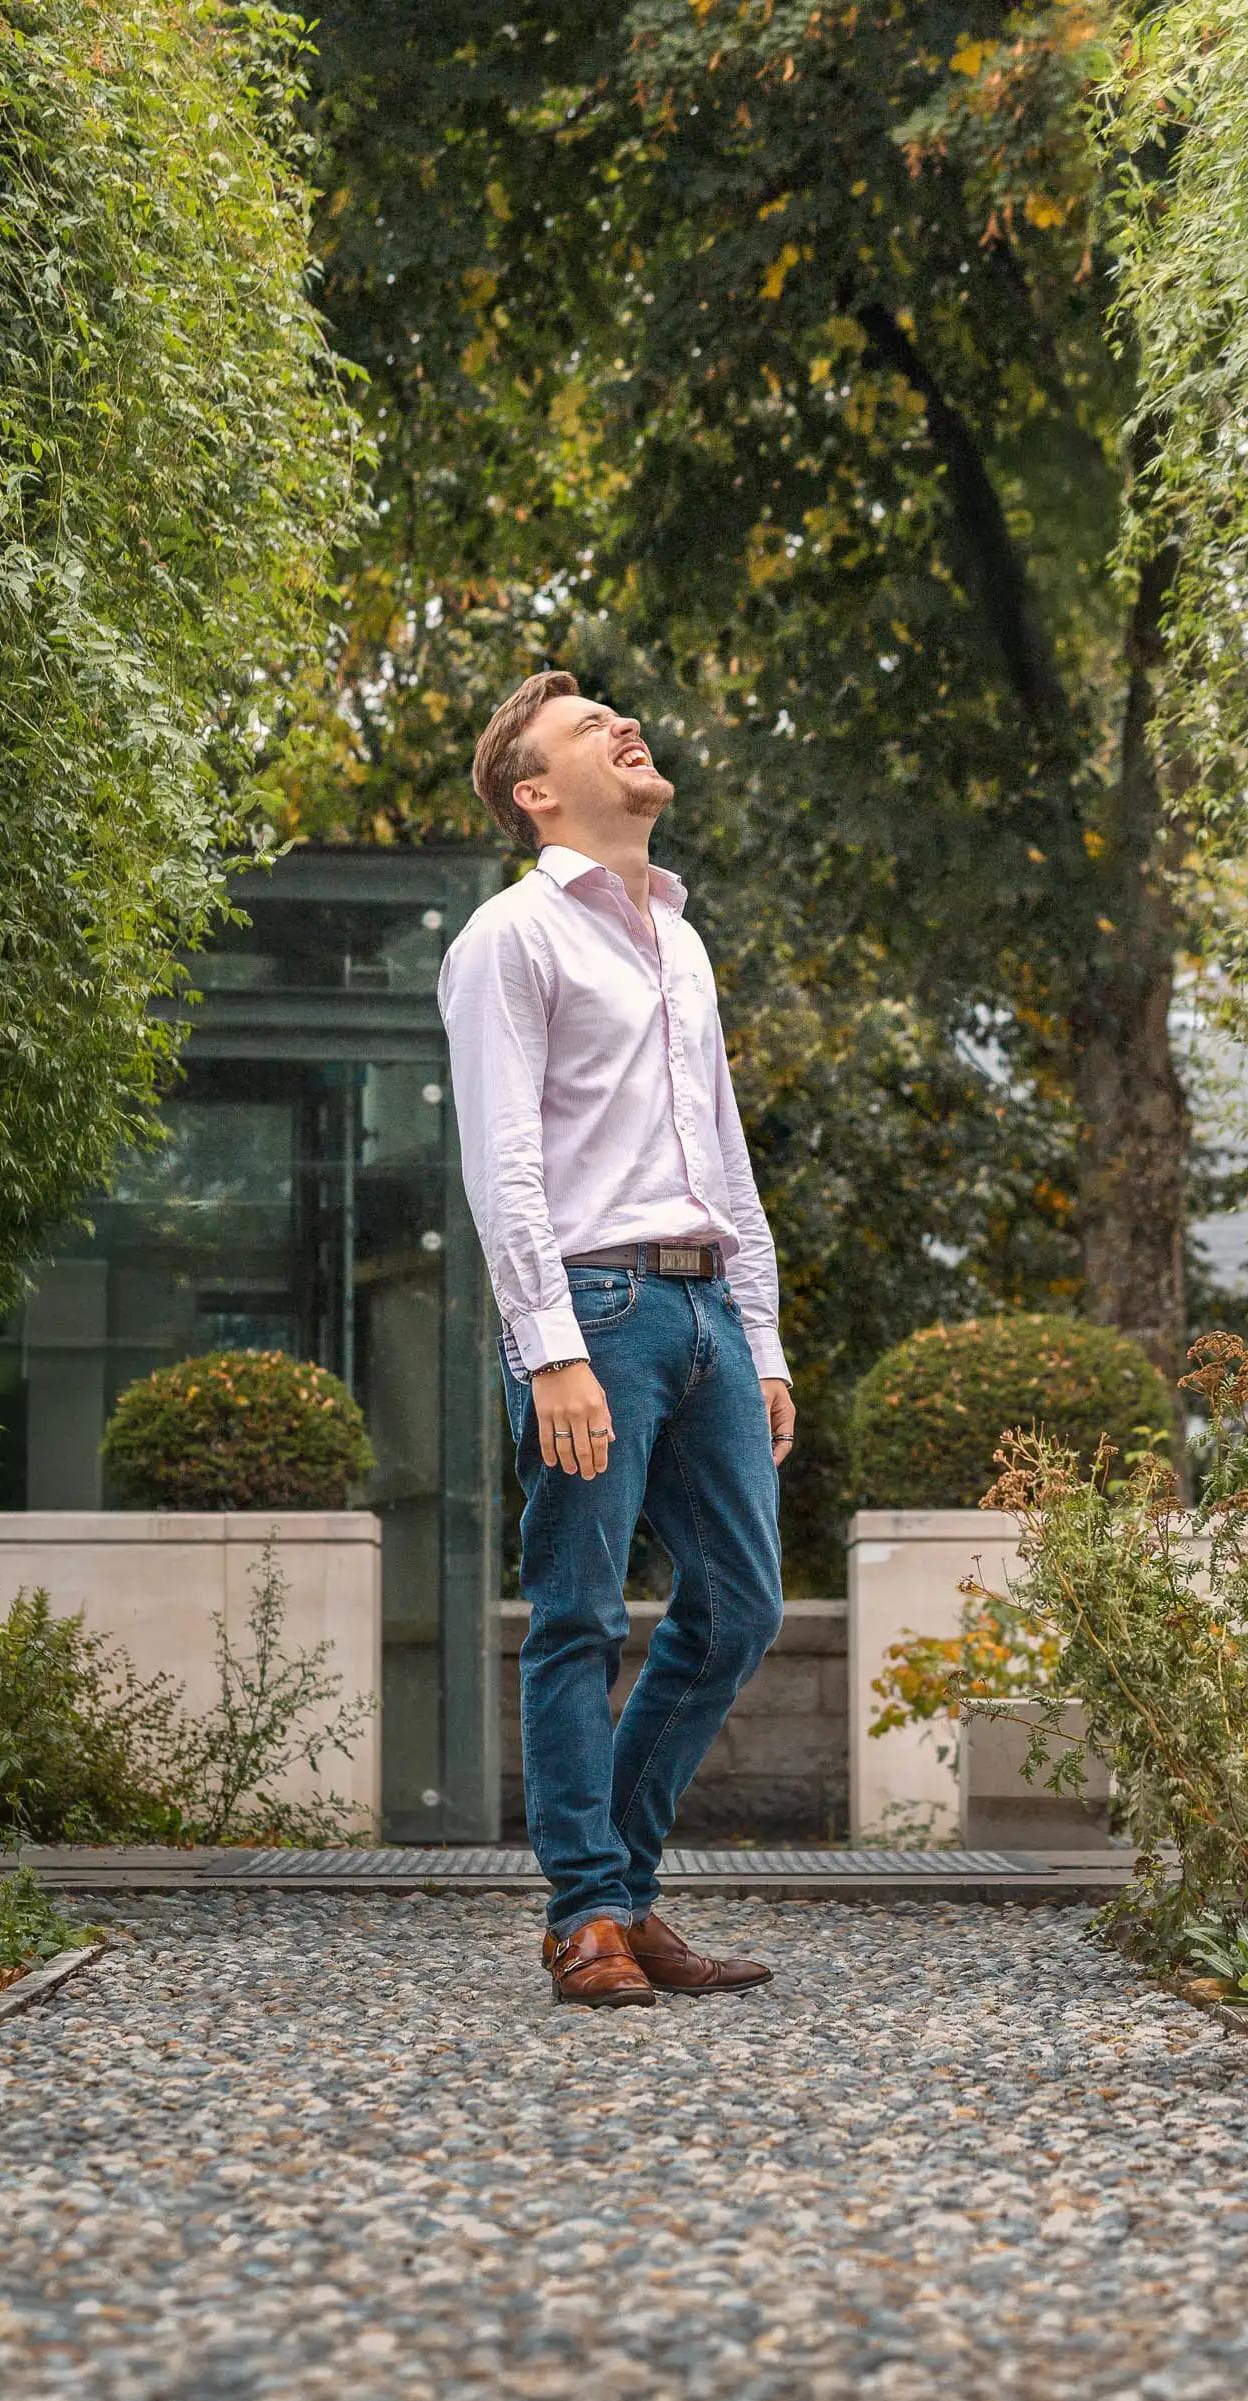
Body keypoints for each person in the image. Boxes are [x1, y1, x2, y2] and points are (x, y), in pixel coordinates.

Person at [437, 669, 796, 2008]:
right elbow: (506, 1160)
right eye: (589, 728)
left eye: (619, 718)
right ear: (536, 793)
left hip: (702, 1310)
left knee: (741, 1607)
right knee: (579, 1613)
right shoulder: (508, 941)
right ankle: (586, 1912)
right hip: (594, 1306)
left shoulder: (681, 944)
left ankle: (626, 1895)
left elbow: (726, 1155)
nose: (623, 728)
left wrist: (760, 1338)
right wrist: (550, 1347)